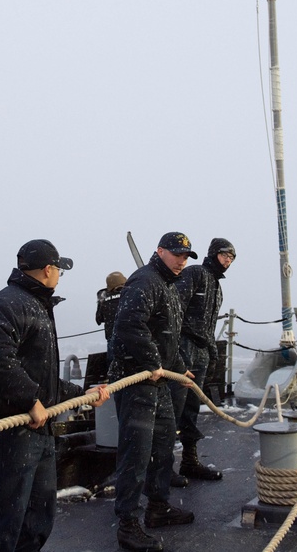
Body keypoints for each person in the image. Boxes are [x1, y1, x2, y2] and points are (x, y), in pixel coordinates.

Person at [0, 239, 109, 552]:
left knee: (38, 518)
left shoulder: (35, 305)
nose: (59, 275)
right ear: (48, 270)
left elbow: (41, 377)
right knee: (3, 523)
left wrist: (82, 394)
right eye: (59, 270)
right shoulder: (8, 304)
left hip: (38, 429)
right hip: (12, 430)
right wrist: (30, 400)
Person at [108, 232, 197, 552]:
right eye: (176, 254)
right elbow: (129, 326)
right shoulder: (144, 281)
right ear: (159, 251)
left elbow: (167, 334)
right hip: (136, 381)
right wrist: (152, 362)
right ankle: (128, 524)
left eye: (185, 256)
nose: (181, 261)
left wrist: (179, 367)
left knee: (163, 445)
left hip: (158, 382)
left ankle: (158, 508)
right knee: (136, 453)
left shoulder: (168, 285)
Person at [169, 238, 236, 483]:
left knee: (191, 407)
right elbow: (174, 309)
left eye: (231, 258)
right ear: (213, 253)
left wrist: (211, 351)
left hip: (201, 350)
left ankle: (189, 461)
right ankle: (163, 468)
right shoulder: (195, 274)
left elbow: (209, 324)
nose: (228, 261)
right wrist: (175, 350)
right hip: (184, 346)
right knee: (173, 407)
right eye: (225, 255)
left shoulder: (216, 286)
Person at [96, 270, 127, 360]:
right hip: (134, 337)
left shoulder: (104, 298)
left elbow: (99, 319)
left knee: (114, 365)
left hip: (113, 338)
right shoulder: (131, 294)